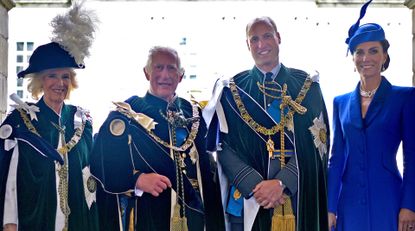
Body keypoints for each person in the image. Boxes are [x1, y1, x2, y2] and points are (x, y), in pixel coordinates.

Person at [203, 16, 330, 231]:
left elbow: (319, 146)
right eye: (254, 39)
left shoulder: (307, 86)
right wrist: (254, 186)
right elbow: (222, 147)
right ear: (247, 45)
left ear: (278, 38)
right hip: (248, 198)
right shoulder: (231, 89)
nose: (261, 45)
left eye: (267, 36)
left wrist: (282, 183)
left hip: (296, 198)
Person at [90, 46, 225, 231]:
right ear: (146, 73)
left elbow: (207, 167)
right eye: (158, 68)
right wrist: (136, 180)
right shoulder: (126, 114)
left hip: (196, 216)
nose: (165, 75)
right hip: (149, 214)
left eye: (171, 68)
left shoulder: (193, 113)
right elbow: (101, 163)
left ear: (181, 75)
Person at [0, 3, 99, 231]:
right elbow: (9, 180)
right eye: (52, 76)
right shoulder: (20, 121)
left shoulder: (82, 121)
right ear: (40, 81)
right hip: (34, 221)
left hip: (77, 221)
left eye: (65, 76)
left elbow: (92, 175)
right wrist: (9, 223)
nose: (60, 83)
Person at [327, 1, 415, 231]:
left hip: (389, 202)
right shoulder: (340, 103)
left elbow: (412, 157)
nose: (366, 58)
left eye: (373, 51)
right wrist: (329, 208)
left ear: (385, 55)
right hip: (349, 204)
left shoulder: (405, 98)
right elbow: (336, 160)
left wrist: (410, 205)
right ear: (353, 57)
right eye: (360, 52)